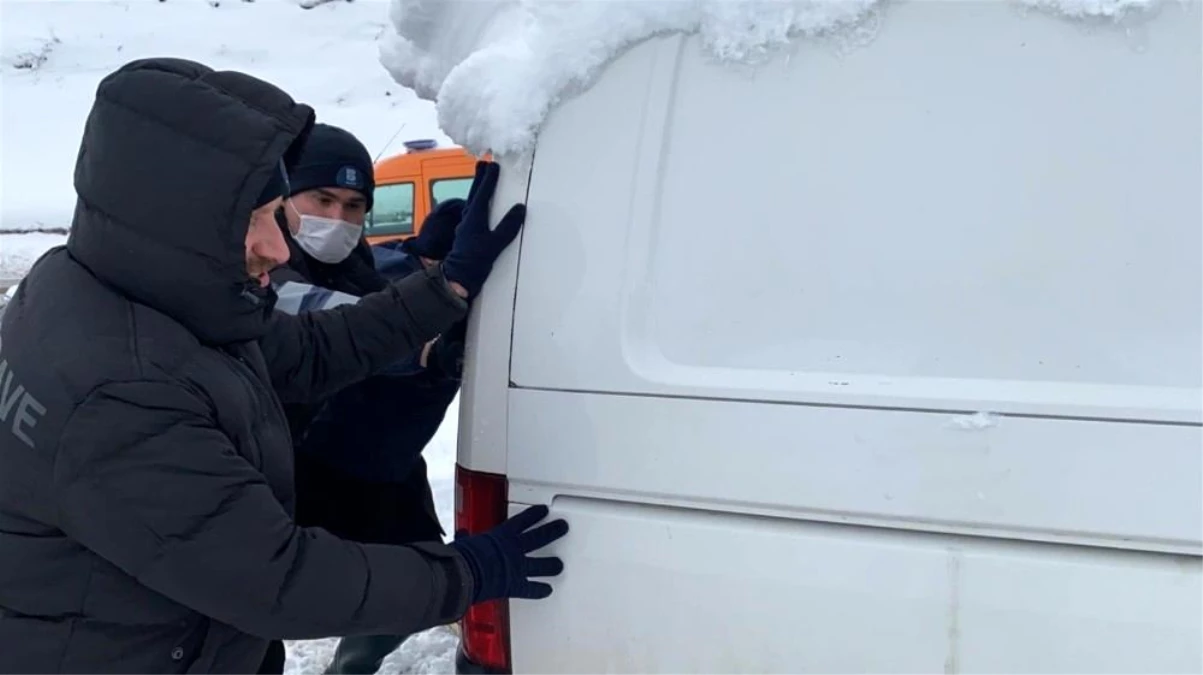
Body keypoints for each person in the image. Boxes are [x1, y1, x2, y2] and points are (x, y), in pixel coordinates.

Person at [0, 57, 567, 675]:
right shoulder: (122, 392)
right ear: (176, 215)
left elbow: (306, 350)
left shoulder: (118, 287)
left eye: (277, 215)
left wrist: (445, 289)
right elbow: (278, 581)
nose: (277, 246)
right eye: (257, 220)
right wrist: (467, 573)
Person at [263, 123, 473, 675]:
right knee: (263, 609)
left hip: (374, 465)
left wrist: (423, 260)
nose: (337, 219)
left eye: (355, 205)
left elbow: (376, 284)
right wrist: (426, 346)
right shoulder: (263, 267)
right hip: (291, 467)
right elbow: (331, 319)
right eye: (322, 199)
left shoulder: (356, 260)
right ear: (284, 196)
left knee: (419, 583)